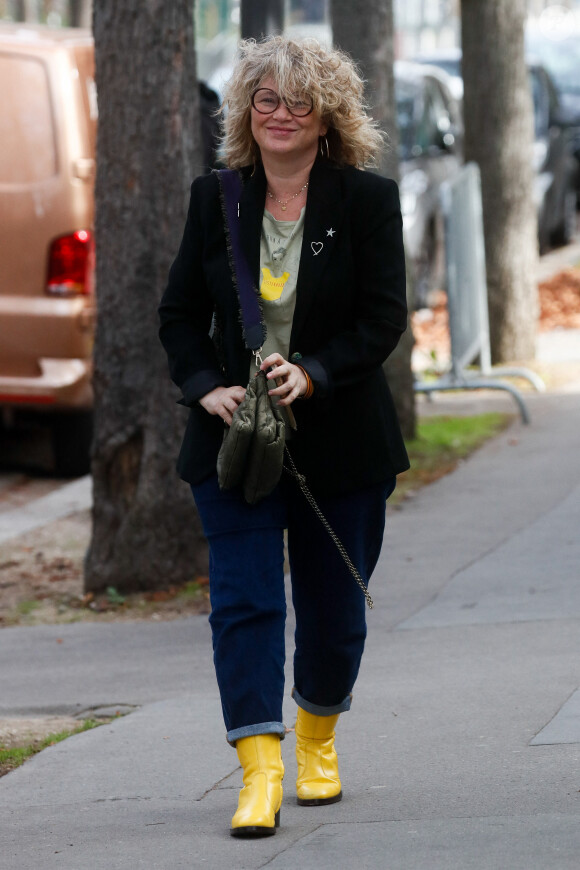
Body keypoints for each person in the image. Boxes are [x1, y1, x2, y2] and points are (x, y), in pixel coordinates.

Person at [158, 35, 409, 838]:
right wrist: (206, 388)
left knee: (335, 613)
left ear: (327, 115)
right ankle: (259, 769)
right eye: (266, 98)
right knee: (244, 604)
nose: (281, 114)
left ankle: (316, 737)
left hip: (341, 444)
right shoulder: (215, 197)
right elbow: (176, 319)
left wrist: (315, 372)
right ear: (246, 109)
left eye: (299, 101)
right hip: (234, 442)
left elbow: (382, 319)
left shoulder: (367, 201)